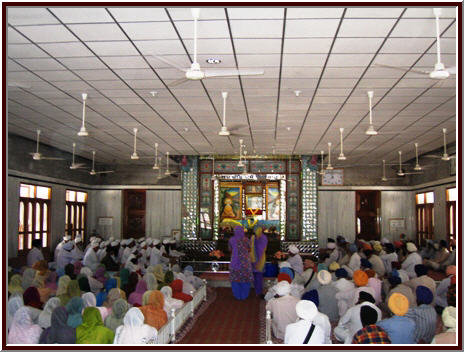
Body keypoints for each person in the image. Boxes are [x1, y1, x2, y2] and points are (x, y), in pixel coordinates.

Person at [228, 226, 254, 300]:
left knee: (235, 280)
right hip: (245, 263)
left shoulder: (231, 239)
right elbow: (249, 249)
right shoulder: (246, 240)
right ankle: (244, 295)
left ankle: (237, 295)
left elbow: (230, 249)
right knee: (245, 279)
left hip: (234, 262)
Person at [250, 227, 267, 296]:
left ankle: (256, 289)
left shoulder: (253, 237)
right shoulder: (264, 237)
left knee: (254, 275)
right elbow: (264, 247)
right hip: (261, 259)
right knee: (259, 276)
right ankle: (258, 291)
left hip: (253, 259)